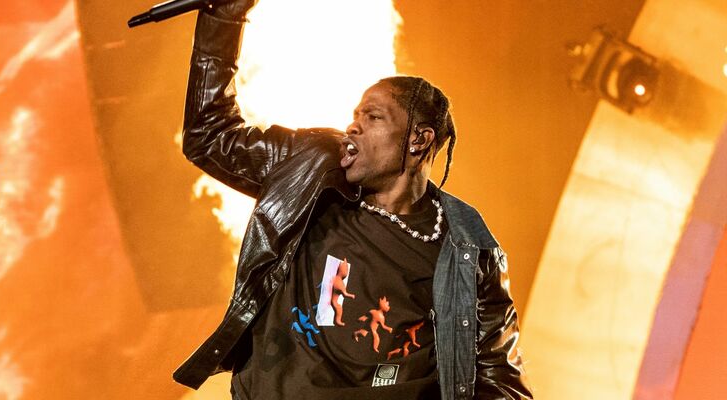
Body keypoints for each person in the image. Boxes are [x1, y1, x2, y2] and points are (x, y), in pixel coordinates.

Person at [172, 1, 533, 398]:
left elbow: (501, 378)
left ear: (419, 139)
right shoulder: (314, 167)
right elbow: (209, 136)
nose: (353, 126)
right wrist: (223, 17)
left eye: (372, 117)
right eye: (355, 115)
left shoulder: (468, 247)